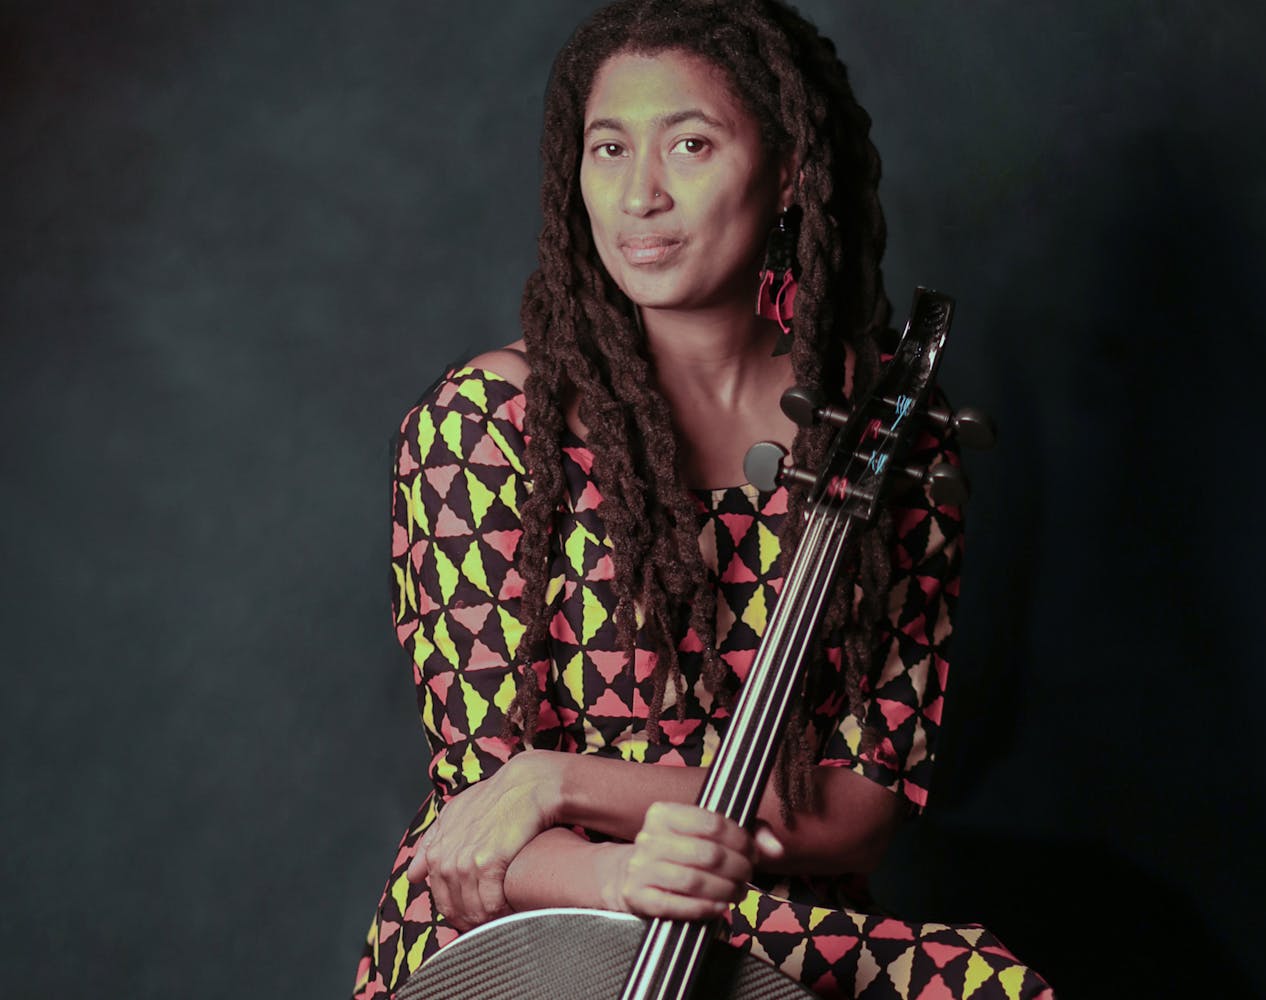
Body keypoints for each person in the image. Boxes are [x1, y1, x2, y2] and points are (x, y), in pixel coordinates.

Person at [353, 2, 1051, 997]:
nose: (640, 195)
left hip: (769, 921)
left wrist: (564, 778)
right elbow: (479, 821)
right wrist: (613, 872)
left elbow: (860, 805)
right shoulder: (487, 426)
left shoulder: (887, 433)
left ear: (790, 174)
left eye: (691, 143)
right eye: (608, 148)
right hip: (530, 922)